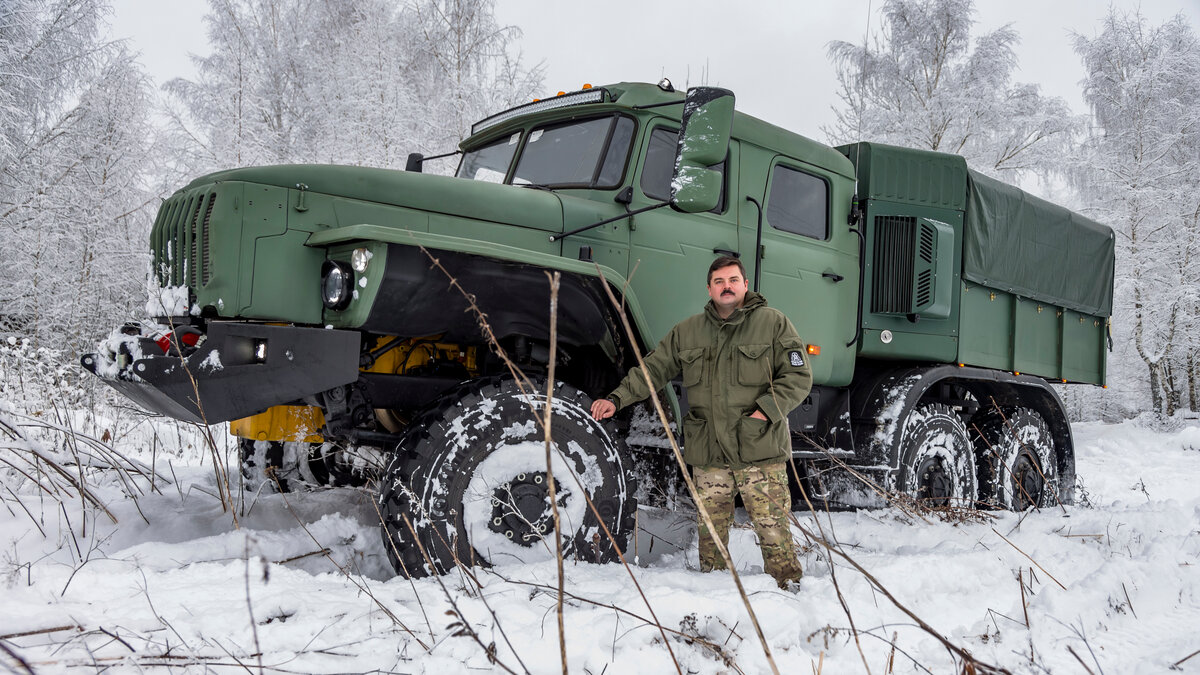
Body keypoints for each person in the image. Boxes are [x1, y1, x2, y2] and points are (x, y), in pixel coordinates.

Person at [590, 256, 812, 588]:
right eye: (720, 281)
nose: (727, 286)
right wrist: (616, 398)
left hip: (759, 446)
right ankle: (717, 594)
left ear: (746, 285)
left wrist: (762, 413)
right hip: (709, 452)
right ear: (709, 288)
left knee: (773, 529)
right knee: (710, 535)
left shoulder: (773, 323)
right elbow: (653, 370)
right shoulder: (688, 331)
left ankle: (788, 590)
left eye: (733, 280)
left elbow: (797, 377)